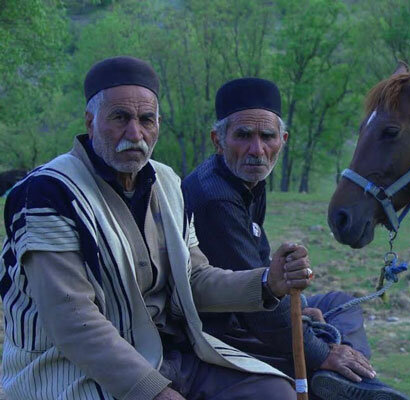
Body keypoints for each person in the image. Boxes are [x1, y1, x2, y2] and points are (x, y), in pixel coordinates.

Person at [0, 57, 313, 400]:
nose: (135, 134)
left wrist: (268, 281)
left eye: (146, 119)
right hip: (74, 367)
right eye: (120, 118)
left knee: (271, 392)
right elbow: (73, 322)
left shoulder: (166, 181)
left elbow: (194, 279)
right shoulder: (47, 192)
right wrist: (153, 391)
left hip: (169, 356)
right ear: (91, 122)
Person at [182, 78, 409, 400]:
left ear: (283, 140)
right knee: (322, 342)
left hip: (255, 307)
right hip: (225, 327)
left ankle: (343, 379)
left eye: (267, 136)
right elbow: (254, 305)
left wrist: (299, 306)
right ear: (218, 140)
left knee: (338, 303)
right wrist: (320, 351)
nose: (257, 150)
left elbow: (260, 268)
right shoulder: (215, 197)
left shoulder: (245, 180)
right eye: (243, 136)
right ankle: (343, 378)